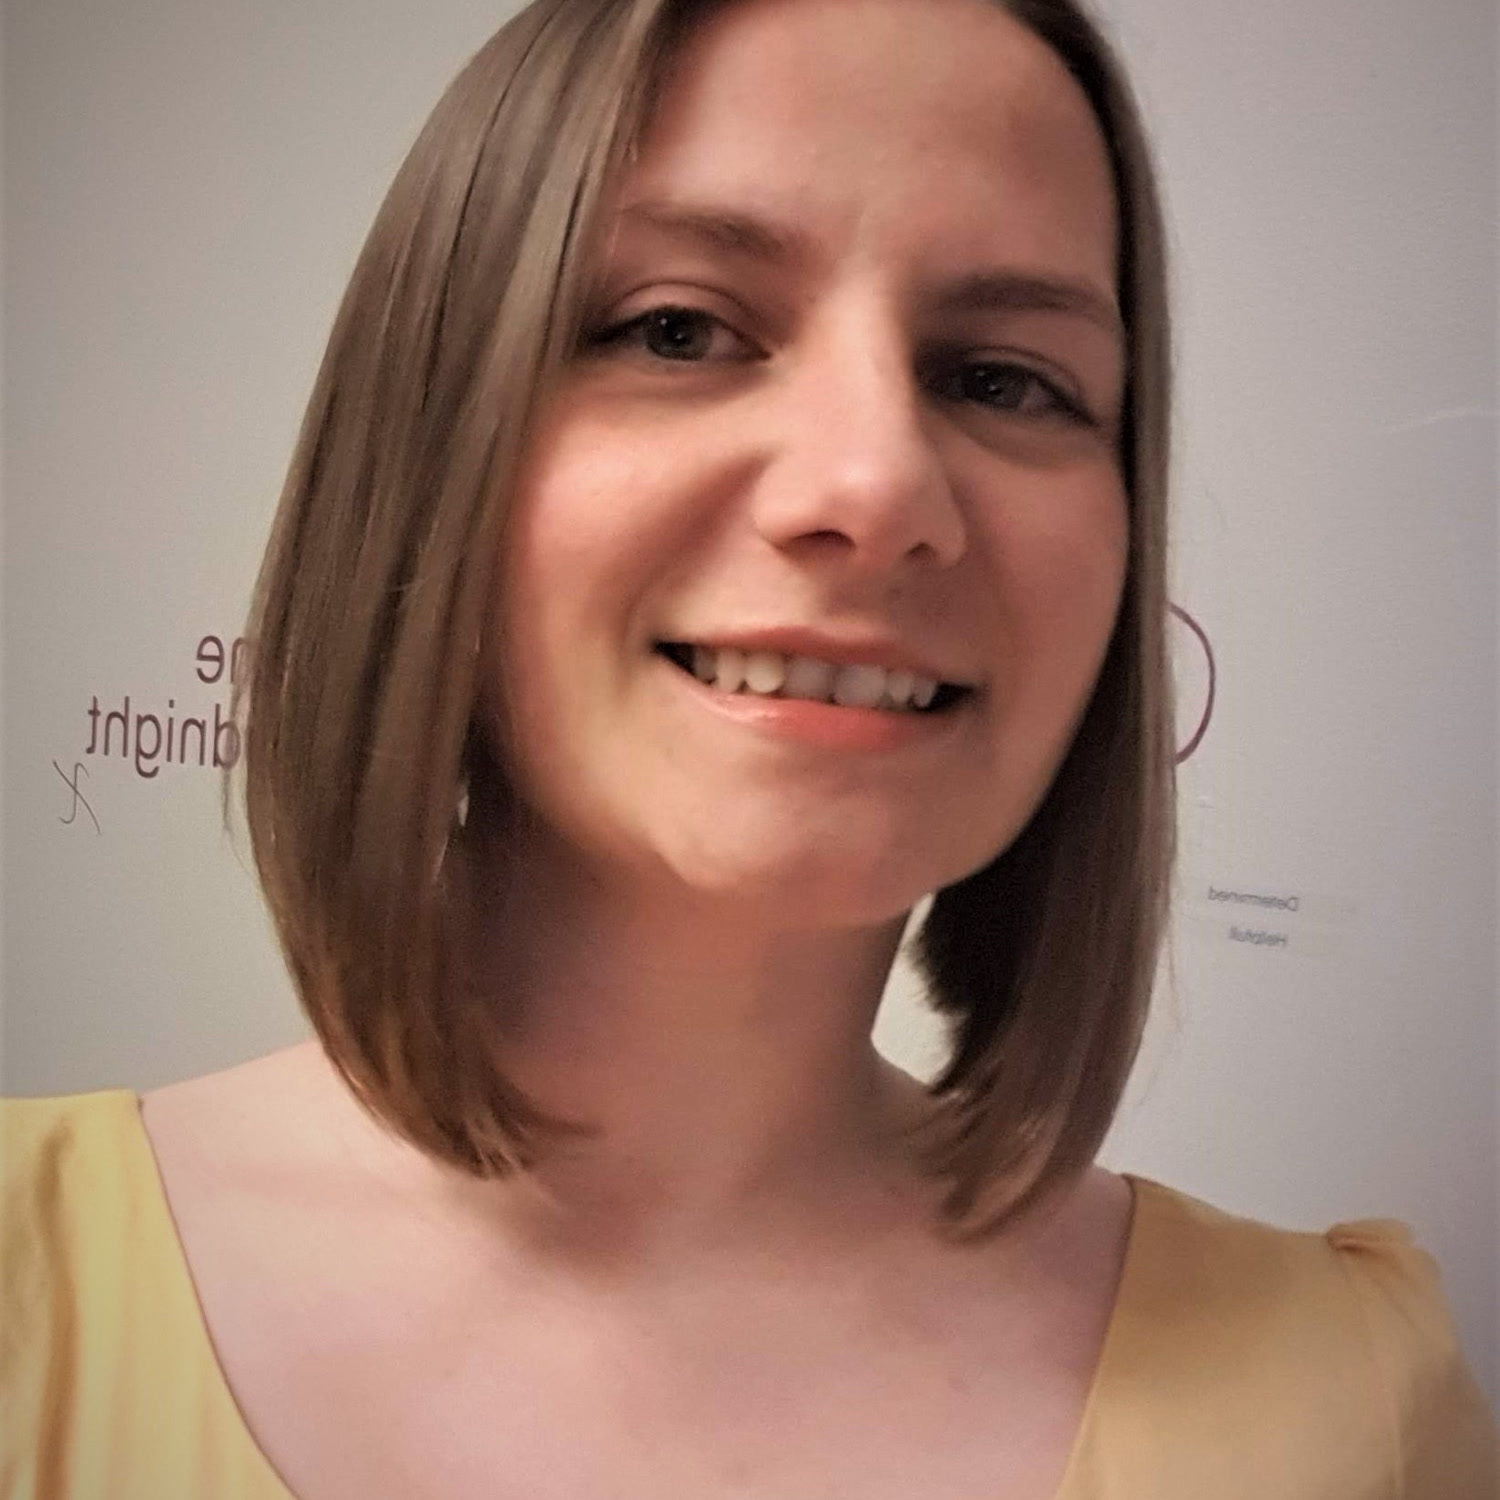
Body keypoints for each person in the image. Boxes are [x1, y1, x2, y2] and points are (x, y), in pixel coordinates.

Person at [3, 0, 1495, 1494]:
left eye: (1002, 378)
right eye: (679, 329)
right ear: (429, 449)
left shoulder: (1346, 1411)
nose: (876, 483)